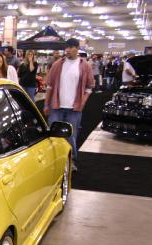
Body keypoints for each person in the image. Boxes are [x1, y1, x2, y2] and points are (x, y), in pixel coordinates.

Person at [44, 38, 94, 171]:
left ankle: (71, 161)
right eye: (66, 47)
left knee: (71, 135)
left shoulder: (85, 66)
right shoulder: (57, 64)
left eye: (71, 47)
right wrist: (46, 104)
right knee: (53, 133)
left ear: (77, 49)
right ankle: (54, 160)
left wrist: (83, 102)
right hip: (56, 106)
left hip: (74, 108)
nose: (67, 50)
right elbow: (49, 86)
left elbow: (90, 87)